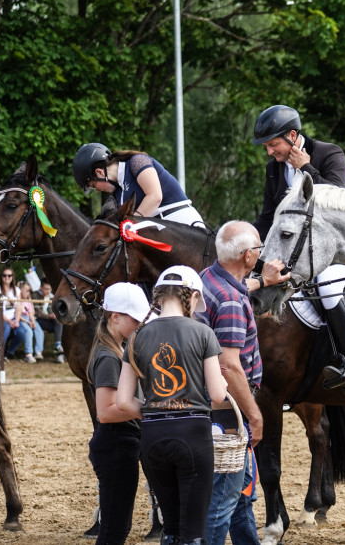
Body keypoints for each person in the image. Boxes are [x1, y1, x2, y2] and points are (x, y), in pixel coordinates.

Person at [251, 104, 345, 395]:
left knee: (327, 287)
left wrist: (306, 168)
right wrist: (245, 242)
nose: (269, 152)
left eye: (273, 145)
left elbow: (339, 202)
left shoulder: (329, 153)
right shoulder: (273, 168)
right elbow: (267, 215)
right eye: (267, 146)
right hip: (293, 251)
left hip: (333, 249)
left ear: (292, 135)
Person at [116, 266, 228, 545]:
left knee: (171, 529)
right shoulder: (203, 332)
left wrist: (155, 409)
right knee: (193, 533)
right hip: (193, 433)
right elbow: (216, 394)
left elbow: (121, 401)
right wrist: (224, 386)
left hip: (153, 436)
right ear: (190, 296)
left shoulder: (137, 336)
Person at [199, 221, 289, 545]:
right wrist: (254, 415)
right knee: (223, 502)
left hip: (210, 407)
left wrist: (263, 281)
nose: (262, 253)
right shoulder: (230, 304)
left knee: (240, 499)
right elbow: (229, 366)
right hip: (228, 410)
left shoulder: (208, 279)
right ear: (248, 255)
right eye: (260, 249)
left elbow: (236, 287)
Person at [87, 283, 151, 545]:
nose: (140, 325)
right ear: (115, 317)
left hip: (120, 443)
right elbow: (106, 411)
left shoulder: (115, 350)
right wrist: (150, 411)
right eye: (135, 319)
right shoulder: (108, 357)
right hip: (116, 443)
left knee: (118, 525)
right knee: (114, 529)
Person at [72, 143, 205, 227]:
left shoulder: (137, 162)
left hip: (183, 223)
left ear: (99, 172)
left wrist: (131, 224)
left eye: (94, 186)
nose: (97, 190)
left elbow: (155, 196)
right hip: (161, 230)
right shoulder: (118, 194)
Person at [0, 268, 33, 362]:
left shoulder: (16, 290)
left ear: (12, 277)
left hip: (14, 317)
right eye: (4, 275)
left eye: (9, 275)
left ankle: (9, 353)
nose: (7, 277)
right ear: (1, 277)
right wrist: (8, 321)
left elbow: (18, 306)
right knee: (6, 328)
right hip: (1, 318)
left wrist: (17, 321)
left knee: (22, 332)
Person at [34, 280, 65, 364]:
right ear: (41, 288)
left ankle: (58, 347)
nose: (48, 291)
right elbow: (37, 312)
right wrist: (49, 316)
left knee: (59, 323)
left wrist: (52, 315)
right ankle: (59, 350)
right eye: (46, 289)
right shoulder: (35, 295)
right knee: (58, 326)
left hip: (49, 322)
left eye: (49, 289)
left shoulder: (52, 297)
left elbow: (52, 310)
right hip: (38, 320)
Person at [15, 281, 43, 361]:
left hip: (30, 319)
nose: (28, 293)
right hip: (22, 319)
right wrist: (28, 322)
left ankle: (38, 352)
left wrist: (33, 321)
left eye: (29, 291)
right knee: (28, 331)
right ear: (20, 290)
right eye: (27, 291)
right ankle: (28, 354)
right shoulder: (18, 301)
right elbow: (18, 315)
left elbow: (31, 313)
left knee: (39, 330)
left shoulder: (29, 301)